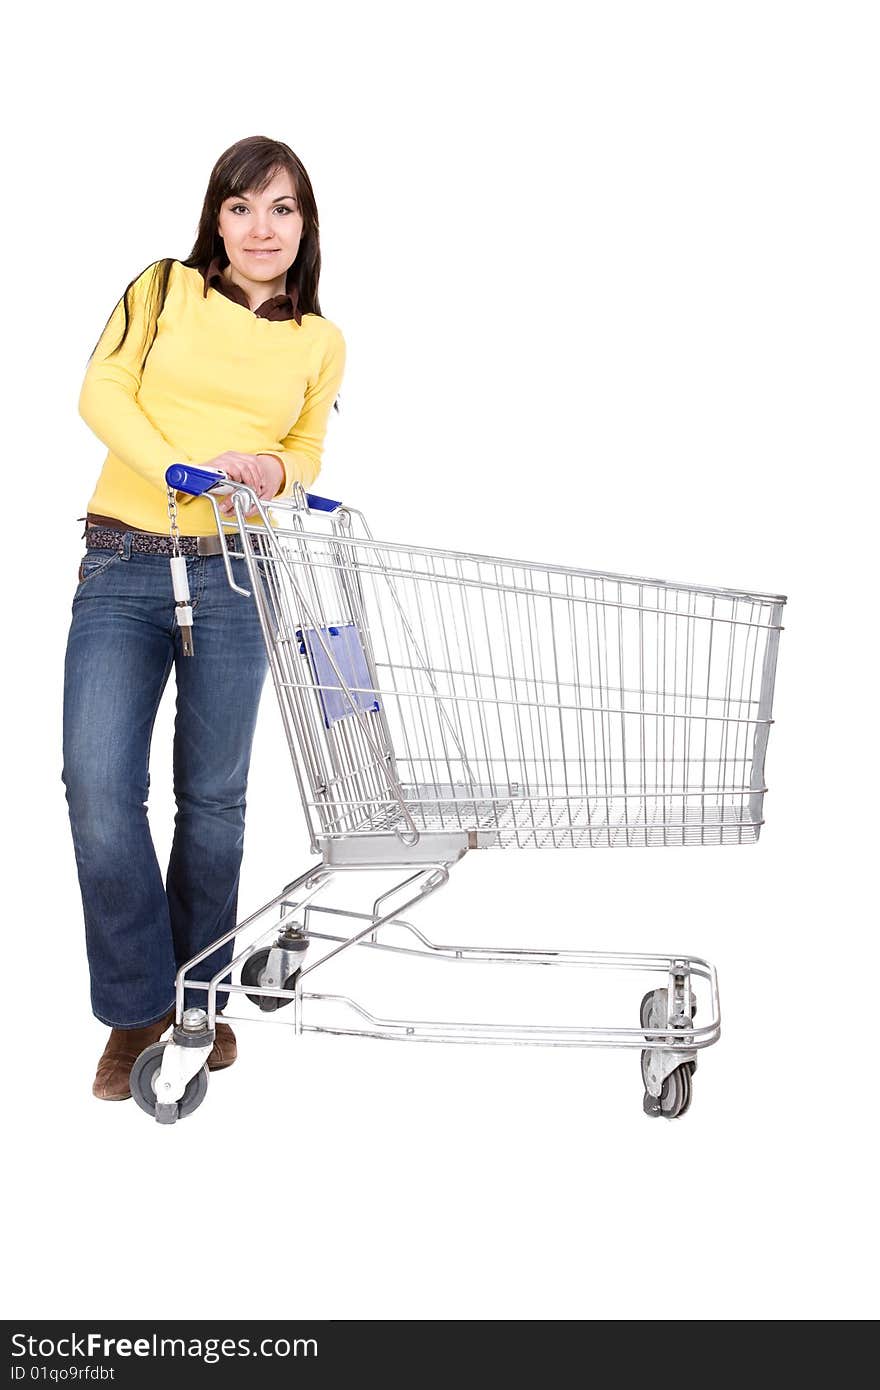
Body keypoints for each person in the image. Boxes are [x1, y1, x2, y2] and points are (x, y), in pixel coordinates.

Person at [63, 135, 346, 1102]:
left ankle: (199, 1004)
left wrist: (279, 472)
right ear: (214, 217)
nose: (261, 228)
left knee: (214, 801)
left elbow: (306, 447)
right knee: (99, 791)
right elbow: (101, 392)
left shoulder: (320, 338)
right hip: (125, 560)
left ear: (305, 226)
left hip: (236, 573)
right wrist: (172, 472)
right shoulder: (161, 290)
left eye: (282, 209)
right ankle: (137, 1007)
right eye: (241, 206)